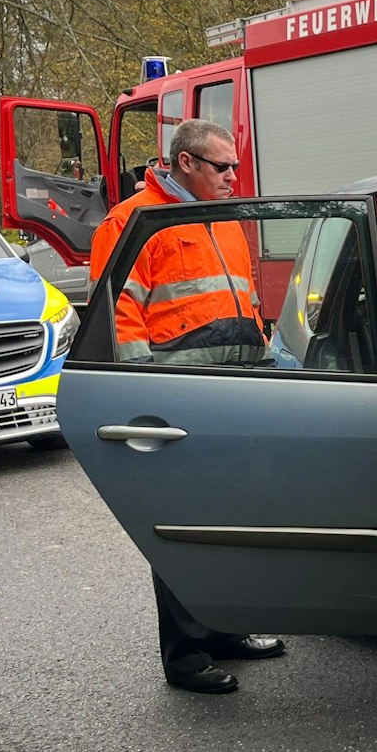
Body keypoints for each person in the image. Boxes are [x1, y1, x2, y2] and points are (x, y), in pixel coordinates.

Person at [89, 119, 282, 693]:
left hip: (232, 393)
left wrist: (265, 362)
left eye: (235, 166)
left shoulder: (220, 217)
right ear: (186, 163)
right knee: (184, 526)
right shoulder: (133, 221)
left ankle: (225, 628)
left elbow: (244, 303)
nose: (233, 176)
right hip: (177, 400)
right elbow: (118, 315)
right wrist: (144, 396)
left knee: (232, 519)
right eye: (222, 166)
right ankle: (187, 653)